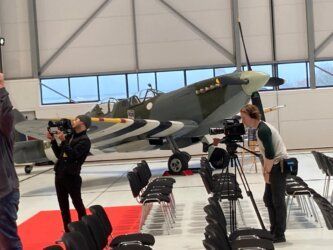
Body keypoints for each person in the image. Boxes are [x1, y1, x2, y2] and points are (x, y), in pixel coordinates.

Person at [240, 104, 288, 243]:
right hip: (273, 165)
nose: (243, 121)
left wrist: (267, 171)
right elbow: (266, 154)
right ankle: (273, 230)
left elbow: (271, 154)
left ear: (252, 116)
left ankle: (279, 234)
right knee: (268, 198)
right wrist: (266, 170)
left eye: (244, 118)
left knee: (278, 201)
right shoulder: (259, 128)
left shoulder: (263, 130)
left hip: (278, 166)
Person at [46, 115, 91, 232]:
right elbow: (59, 154)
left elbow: (73, 155)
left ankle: (84, 229)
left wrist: (64, 141)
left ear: (83, 124)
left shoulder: (85, 140)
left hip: (72, 177)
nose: (73, 121)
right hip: (60, 175)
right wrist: (53, 141)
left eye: (76, 120)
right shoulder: (70, 137)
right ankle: (68, 231)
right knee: (63, 207)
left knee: (78, 204)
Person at [0, 73, 23, 249]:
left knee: (8, 244)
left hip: (4, 195)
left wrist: (1, 89)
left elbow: (6, 115)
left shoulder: (4, 130)